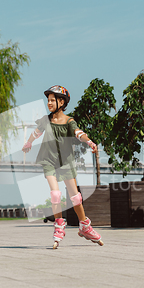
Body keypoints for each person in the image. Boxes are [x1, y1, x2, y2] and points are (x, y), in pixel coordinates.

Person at [22, 85, 104, 249]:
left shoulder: (69, 121)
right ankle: (59, 226)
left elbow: (78, 133)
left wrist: (89, 141)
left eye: (52, 100)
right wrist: (29, 142)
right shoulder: (46, 120)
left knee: (75, 198)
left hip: (65, 161)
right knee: (55, 194)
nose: (49, 103)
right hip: (48, 159)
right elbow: (36, 132)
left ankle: (85, 226)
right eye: (48, 100)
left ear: (61, 102)